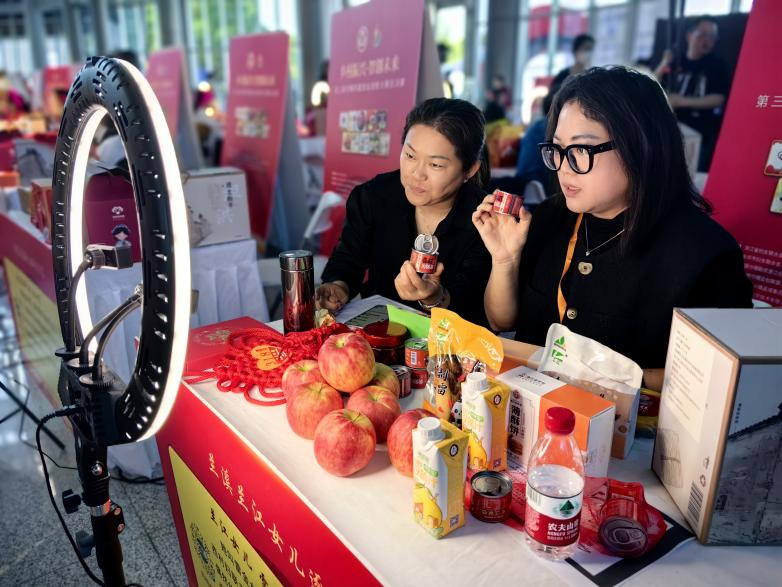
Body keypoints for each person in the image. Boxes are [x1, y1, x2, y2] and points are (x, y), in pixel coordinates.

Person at [472, 67, 752, 377]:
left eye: (580, 149)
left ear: (640, 147)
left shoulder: (706, 255)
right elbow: (501, 321)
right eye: (558, 148)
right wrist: (505, 260)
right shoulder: (552, 216)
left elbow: (715, 378)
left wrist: (599, 381)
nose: (564, 167)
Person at [318, 98, 492, 326]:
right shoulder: (373, 197)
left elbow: (480, 306)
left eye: (435, 165)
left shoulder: (486, 220)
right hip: (381, 331)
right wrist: (338, 285)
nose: (416, 174)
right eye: (410, 156)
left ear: (470, 169)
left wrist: (435, 298)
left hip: (455, 340)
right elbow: (349, 256)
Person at [654, 16, 729, 171]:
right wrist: (664, 63)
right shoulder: (676, 61)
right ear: (689, 35)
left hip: (699, 131)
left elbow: (718, 99)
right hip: (667, 128)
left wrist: (681, 101)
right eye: (702, 34)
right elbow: (651, 83)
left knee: (688, 173)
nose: (707, 40)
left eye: (712, 36)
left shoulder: (717, 66)